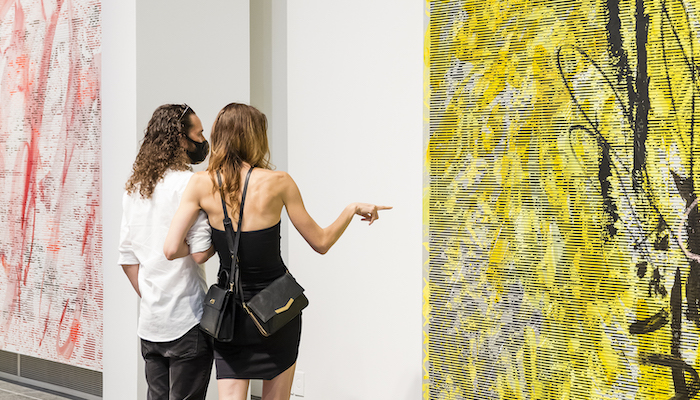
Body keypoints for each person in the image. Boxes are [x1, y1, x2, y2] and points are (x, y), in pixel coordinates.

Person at [163, 102, 391, 400]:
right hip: (276, 308)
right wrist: (350, 210)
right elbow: (321, 242)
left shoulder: (201, 183)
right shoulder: (279, 182)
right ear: (255, 136)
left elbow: (171, 248)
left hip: (228, 314)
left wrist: (212, 244)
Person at [118, 104, 216, 400]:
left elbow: (127, 258)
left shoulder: (136, 187)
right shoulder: (190, 183)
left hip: (151, 323)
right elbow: (200, 252)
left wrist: (151, 296)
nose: (203, 141)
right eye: (198, 133)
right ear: (181, 139)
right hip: (187, 319)